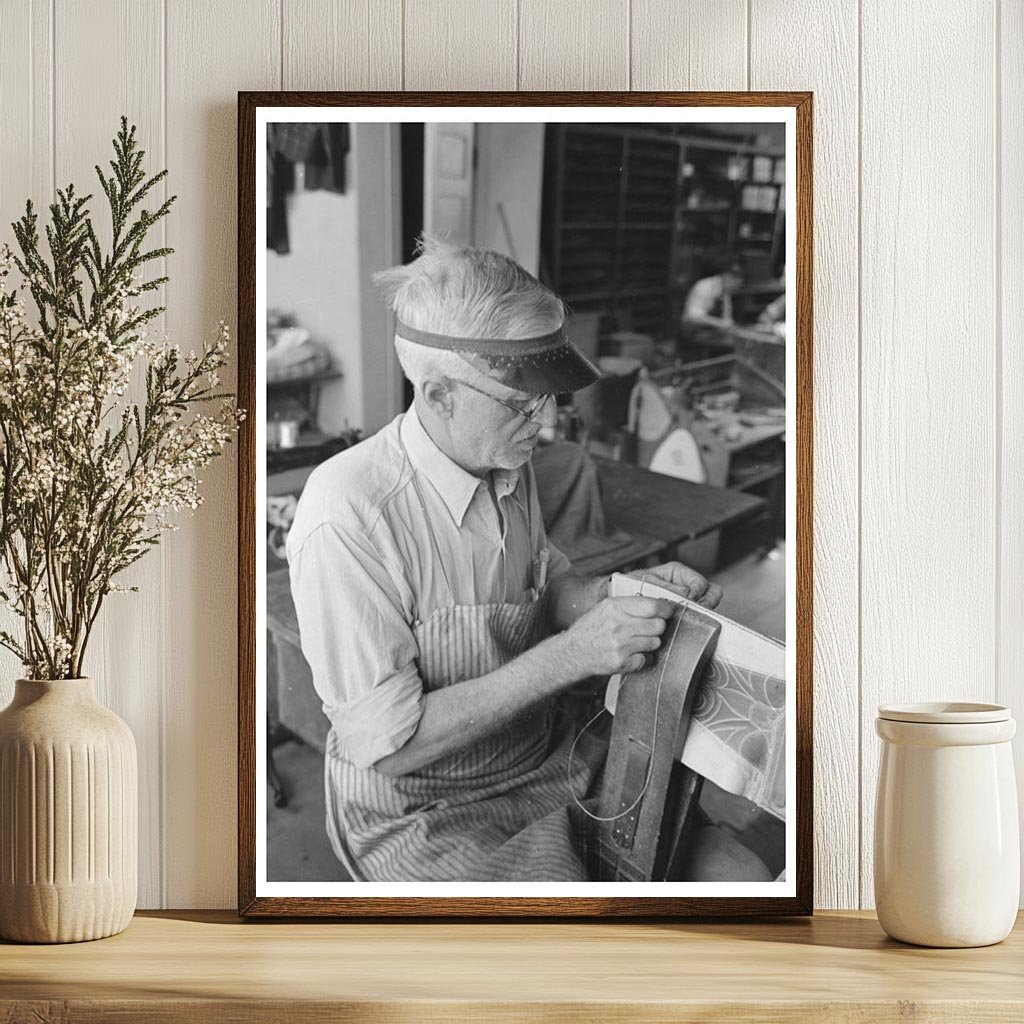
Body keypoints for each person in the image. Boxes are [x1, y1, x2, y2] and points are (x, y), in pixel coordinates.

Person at [287, 236, 769, 883]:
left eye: (547, 394)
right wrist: (574, 654)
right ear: (437, 395)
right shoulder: (347, 513)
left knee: (736, 874)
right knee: (568, 953)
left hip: (540, 757)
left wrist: (613, 597)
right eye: (519, 401)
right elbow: (391, 747)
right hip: (424, 806)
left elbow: (546, 584)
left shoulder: (504, 461)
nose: (543, 421)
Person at [679, 262, 745, 356]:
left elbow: (727, 319)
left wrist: (732, 327)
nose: (736, 289)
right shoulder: (704, 286)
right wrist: (720, 324)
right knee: (732, 344)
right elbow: (693, 315)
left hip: (711, 330)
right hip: (692, 329)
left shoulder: (726, 293)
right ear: (727, 277)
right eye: (736, 285)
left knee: (740, 340)